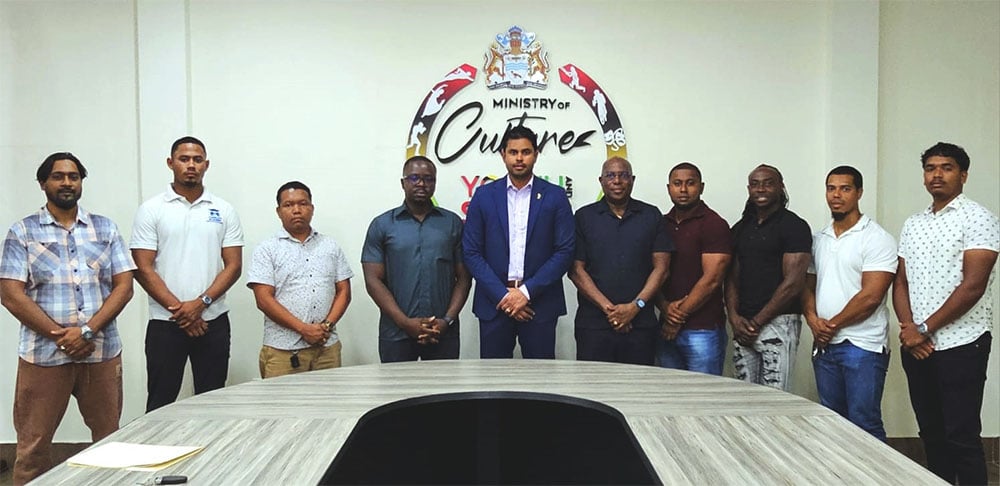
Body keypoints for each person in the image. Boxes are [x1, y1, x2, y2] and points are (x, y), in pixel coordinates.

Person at [0, 153, 135, 485]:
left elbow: (124, 286)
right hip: (43, 357)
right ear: (43, 183)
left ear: (81, 183)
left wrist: (87, 332)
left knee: (109, 443)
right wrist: (61, 335)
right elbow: (10, 293)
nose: (66, 183)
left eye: (73, 177)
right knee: (32, 450)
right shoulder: (23, 232)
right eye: (58, 177)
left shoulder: (105, 228)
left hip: (101, 353)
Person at [893, 142, 998, 484]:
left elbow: (973, 286)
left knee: (962, 437)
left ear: (963, 174)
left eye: (947, 167)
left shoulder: (980, 218)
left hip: (963, 344)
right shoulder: (914, 223)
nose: (936, 174)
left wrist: (923, 328)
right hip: (918, 346)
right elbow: (901, 282)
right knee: (931, 436)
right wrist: (909, 329)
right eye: (930, 168)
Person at [131, 136, 244, 412]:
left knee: (213, 401)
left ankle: (211, 454)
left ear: (206, 165)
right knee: (161, 401)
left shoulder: (223, 209)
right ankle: (157, 453)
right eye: (184, 159)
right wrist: (182, 311)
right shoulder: (152, 209)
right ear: (171, 163)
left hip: (212, 321)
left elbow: (233, 266)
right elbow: (142, 267)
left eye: (197, 159)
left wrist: (200, 304)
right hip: (166, 322)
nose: (191, 165)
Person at [462, 126, 575, 359]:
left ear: (536, 154)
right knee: (493, 385)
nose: (520, 158)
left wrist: (525, 293)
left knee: (541, 385)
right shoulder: (484, 196)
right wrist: (505, 297)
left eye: (526, 151)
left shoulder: (555, 196)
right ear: (503, 154)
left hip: (539, 305)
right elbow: (471, 251)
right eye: (513, 152)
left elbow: (564, 251)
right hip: (494, 304)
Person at [801, 166, 896, 441]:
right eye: (831, 188)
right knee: (832, 422)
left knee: (864, 422)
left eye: (845, 188)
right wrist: (812, 320)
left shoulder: (876, 238)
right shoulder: (820, 239)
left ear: (859, 193)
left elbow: (870, 297)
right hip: (825, 345)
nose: (836, 195)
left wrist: (831, 325)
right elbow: (807, 286)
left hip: (862, 346)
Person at [362, 156, 470, 362]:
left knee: (445, 393)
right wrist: (404, 322)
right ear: (403, 183)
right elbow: (373, 280)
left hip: (442, 333)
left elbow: (464, 278)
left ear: (435, 183)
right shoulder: (382, 225)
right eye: (414, 178)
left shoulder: (453, 223)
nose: (421, 183)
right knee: (397, 393)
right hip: (396, 333)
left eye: (428, 179)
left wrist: (447, 320)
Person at [569, 157, 671, 365]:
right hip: (594, 326)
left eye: (623, 175)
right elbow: (576, 271)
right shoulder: (583, 217)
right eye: (611, 175)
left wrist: (635, 307)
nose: (617, 181)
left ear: (632, 180)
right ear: (601, 181)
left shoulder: (651, 215)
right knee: (592, 390)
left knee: (637, 391)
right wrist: (611, 311)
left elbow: (662, 269)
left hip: (640, 323)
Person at [247, 181, 353, 377]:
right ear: (278, 211)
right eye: (288, 205)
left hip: (326, 349)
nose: (297, 210)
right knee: (284, 407)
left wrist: (326, 326)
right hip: (283, 351)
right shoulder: (267, 249)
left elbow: (344, 291)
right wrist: (303, 329)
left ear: (311, 208)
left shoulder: (330, 246)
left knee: (329, 406)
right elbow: (263, 299)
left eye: (303, 204)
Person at [725, 164, 811, 391]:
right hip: (743, 326)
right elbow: (731, 278)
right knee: (743, 398)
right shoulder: (741, 228)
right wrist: (734, 318)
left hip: (778, 324)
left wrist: (757, 321)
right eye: (755, 184)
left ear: (781, 187)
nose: (760, 189)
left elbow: (793, 283)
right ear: (748, 189)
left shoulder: (794, 226)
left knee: (775, 400)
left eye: (768, 183)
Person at [658, 162, 732, 375]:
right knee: (671, 397)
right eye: (677, 183)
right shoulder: (661, 224)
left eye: (690, 183)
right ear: (669, 187)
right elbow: (653, 271)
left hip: (703, 329)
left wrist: (677, 317)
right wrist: (665, 308)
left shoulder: (714, 224)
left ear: (701, 187)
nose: (683, 190)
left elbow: (712, 279)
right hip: (665, 327)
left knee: (704, 400)